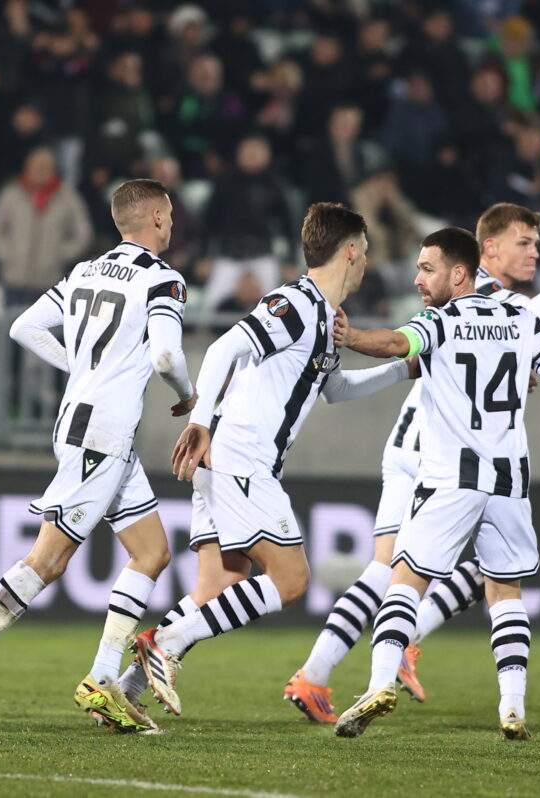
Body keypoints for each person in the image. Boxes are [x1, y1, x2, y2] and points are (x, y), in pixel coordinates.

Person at [283, 203, 540, 722]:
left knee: (454, 572)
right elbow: (535, 319)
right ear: (486, 251)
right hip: (435, 456)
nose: (533, 253)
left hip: (435, 452)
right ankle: (347, 666)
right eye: (524, 242)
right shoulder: (487, 300)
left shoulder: (479, 306)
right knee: (407, 572)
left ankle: (355, 661)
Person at [0, 179, 196, 734]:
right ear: (156, 218)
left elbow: (23, 327)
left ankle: (103, 678)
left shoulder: (84, 271)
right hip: (102, 433)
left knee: (151, 553)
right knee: (49, 560)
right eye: (168, 214)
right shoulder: (163, 279)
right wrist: (188, 397)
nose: (171, 223)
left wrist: (82, 368)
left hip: (85, 424)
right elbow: (166, 355)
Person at [126, 203, 414, 717]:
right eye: (366, 252)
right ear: (351, 251)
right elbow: (222, 350)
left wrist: (403, 370)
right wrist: (201, 422)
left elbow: (336, 389)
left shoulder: (324, 318)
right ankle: (165, 644)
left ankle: (124, 690)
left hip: (229, 460)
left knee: (218, 587)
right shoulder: (295, 303)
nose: (367, 263)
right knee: (291, 579)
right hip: (242, 456)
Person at [0, 147, 93, 305]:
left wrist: (62, 255)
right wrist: (5, 255)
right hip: (14, 279)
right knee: (12, 321)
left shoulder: (69, 198)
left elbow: (83, 233)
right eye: (36, 166)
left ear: (54, 170)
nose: (40, 171)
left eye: (45, 167)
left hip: (50, 281)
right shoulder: (10, 195)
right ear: (27, 167)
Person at [200, 135, 295, 313]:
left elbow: (289, 226)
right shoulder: (224, 182)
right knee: (209, 308)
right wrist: (203, 256)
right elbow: (208, 223)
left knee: (276, 310)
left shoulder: (276, 184)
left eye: (257, 151)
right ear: (238, 153)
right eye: (247, 151)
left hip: (263, 256)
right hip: (229, 256)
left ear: (267, 155)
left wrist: (291, 260)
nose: (252, 155)